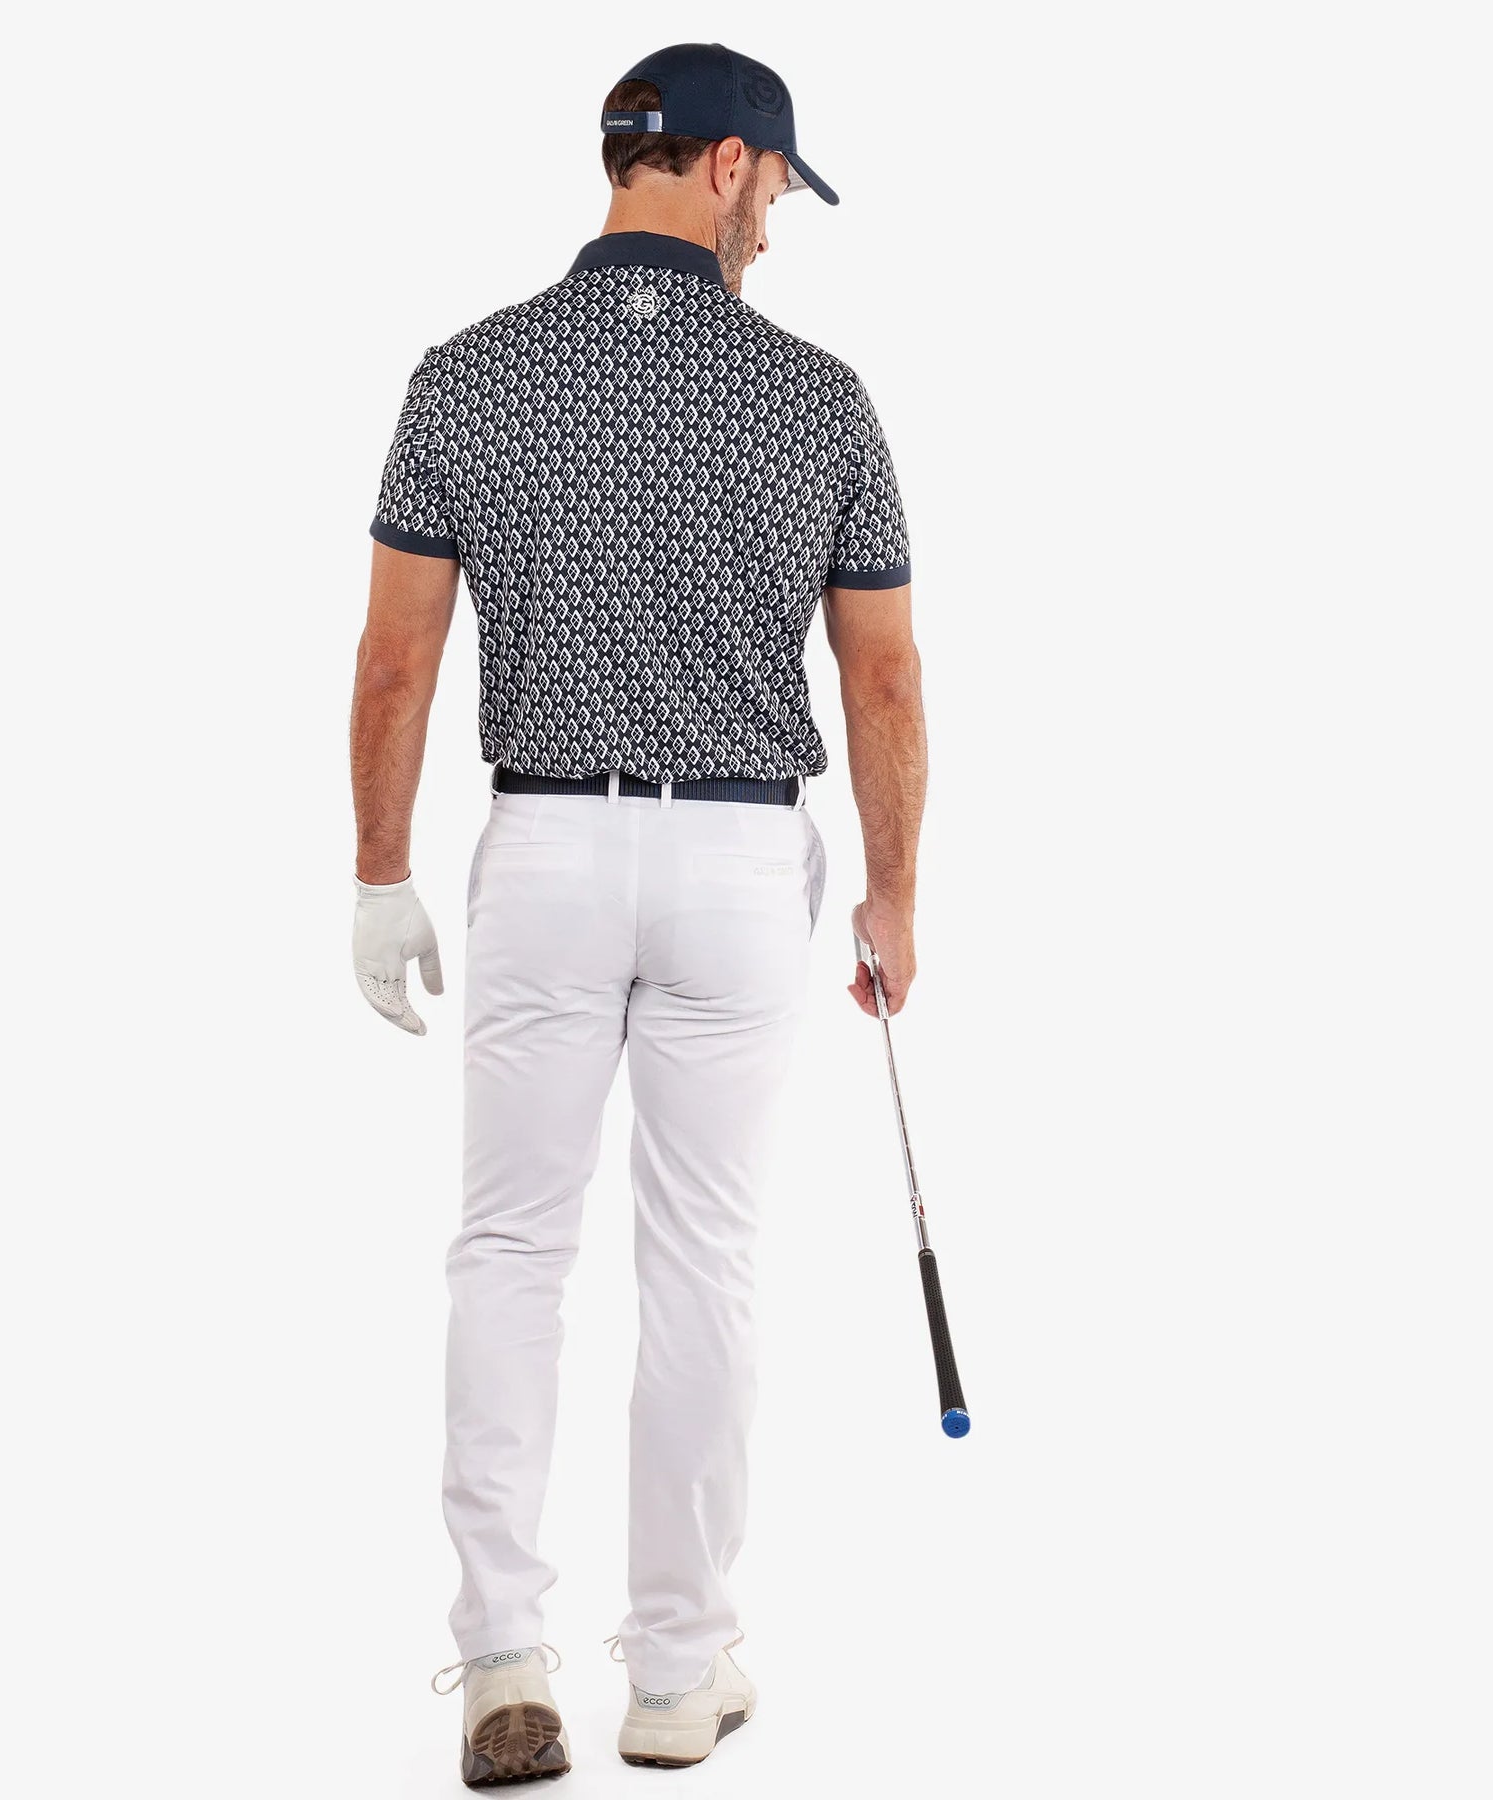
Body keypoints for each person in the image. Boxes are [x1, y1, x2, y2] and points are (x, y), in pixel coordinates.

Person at [350, 41, 926, 1785]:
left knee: (509, 1250)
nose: (776, 230)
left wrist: (379, 873)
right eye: (777, 193)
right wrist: (896, 892)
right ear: (727, 166)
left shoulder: (468, 376)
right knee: (703, 1261)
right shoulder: (820, 399)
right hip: (738, 869)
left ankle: (502, 1664)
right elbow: (882, 679)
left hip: (541, 848)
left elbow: (396, 660)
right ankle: (677, 1673)